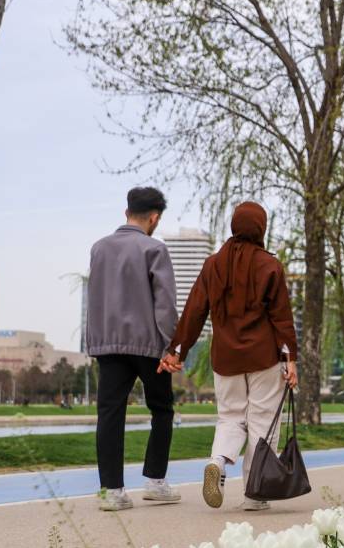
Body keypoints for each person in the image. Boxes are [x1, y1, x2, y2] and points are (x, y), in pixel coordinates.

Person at [159, 201, 298, 511]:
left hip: (226, 359)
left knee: (230, 417)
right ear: (261, 228)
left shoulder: (213, 264)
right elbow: (281, 318)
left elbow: (195, 310)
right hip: (264, 359)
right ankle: (254, 495)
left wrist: (177, 350)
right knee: (262, 422)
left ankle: (218, 462)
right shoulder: (270, 266)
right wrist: (290, 359)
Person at [86, 186, 181, 511]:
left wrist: (95, 342)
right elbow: (165, 303)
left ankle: (111, 491)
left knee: (109, 414)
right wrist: (172, 346)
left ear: (127, 212)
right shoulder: (155, 249)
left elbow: (95, 297)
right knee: (162, 409)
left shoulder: (99, 248)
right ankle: (155, 481)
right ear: (154, 217)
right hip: (148, 345)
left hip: (108, 344)